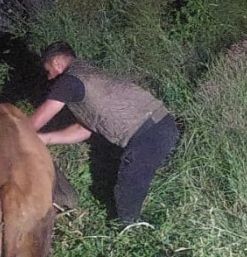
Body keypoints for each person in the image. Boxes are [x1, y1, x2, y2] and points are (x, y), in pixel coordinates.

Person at [28, 42, 179, 225]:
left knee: (129, 185)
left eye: (48, 70)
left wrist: (16, 136)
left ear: (57, 63)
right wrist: (45, 139)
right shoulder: (85, 74)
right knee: (133, 179)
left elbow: (37, 121)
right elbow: (84, 129)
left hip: (150, 131)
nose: (49, 77)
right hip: (160, 125)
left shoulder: (69, 81)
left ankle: (131, 229)